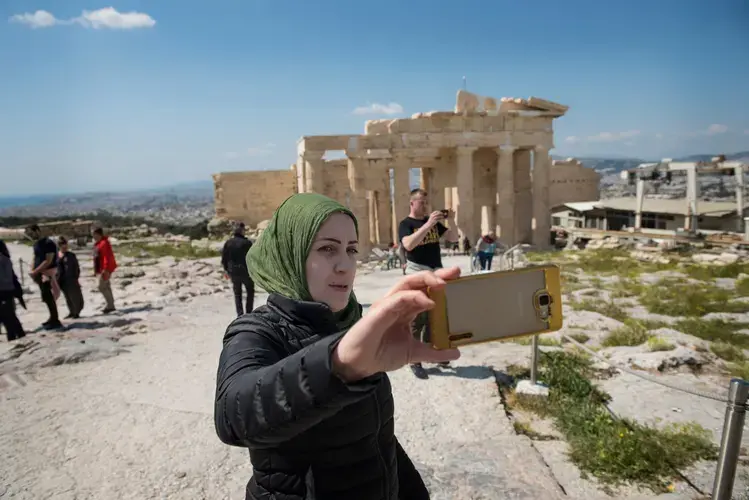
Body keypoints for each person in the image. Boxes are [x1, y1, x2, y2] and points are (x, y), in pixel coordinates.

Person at [214, 192, 461, 500]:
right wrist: (339, 365)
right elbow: (233, 415)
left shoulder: (350, 323)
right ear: (290, 251)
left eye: (352, 249)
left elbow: (376, 440)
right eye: (327, 249)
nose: (345, 265)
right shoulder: (256, 331)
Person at [397, 188, 458, 379]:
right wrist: (429, 224)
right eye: (421, 202)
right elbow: (408, 244)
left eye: (426, 202)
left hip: (435, 271)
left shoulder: (431, 223)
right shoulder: (406, 224)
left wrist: (452, 221)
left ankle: (435, 352)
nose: (424, 206)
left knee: (436, 314)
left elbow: (453, 238)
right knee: (418, 318)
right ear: (412, 203)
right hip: (417, 271)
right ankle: (414, 360)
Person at [27, 224, 62, 330]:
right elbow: (35, 257)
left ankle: (55, 320)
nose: (31, 235)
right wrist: (33, 270)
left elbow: (48, 260)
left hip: (48, 273)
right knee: (46, 297)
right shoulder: (36, 244)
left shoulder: (48, 243)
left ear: (37, 231)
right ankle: (52, 318)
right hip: (39, 273)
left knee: (49, 296)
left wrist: (36, 271)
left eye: (32, 233)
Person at [220, 221, 255, 316]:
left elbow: (224, 258)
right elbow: (252, 258)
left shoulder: (228, 243)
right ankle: (249, 312)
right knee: (250, 291)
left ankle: (240, 314)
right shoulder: (247, 243)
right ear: (242, 230)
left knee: (237, 294)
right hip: (245, 271)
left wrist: (226, 271)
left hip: (233, 272)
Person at [0, 240, 26, 341]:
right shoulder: (5, 259)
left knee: (8, 316)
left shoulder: (3, 259)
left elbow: (5, 278)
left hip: (4, 291)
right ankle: (16, 335)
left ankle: (16, 336)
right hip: (6, 290)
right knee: (8, 315)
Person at [57, 236, 84, 319]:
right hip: (61, 280)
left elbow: (76, 267)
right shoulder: (57, 256)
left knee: (74, 296)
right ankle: (71, 311)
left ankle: (76, 312)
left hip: (71, 278)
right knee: (67, 297)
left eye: (65, 244)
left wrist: (75, 277)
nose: (64, 246)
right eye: (62, 244)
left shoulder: (71, 255)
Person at [92, 227, 117, 314]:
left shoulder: (103, 243)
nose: (93, 236)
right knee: (106, 285)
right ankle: (111, 304)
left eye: (94, 234)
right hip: (100, 269)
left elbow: (106, 257)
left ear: (99, 234)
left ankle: (110, 305)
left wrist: (105, 269)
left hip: (104, 269)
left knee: (101, 286)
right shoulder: (98, 244)